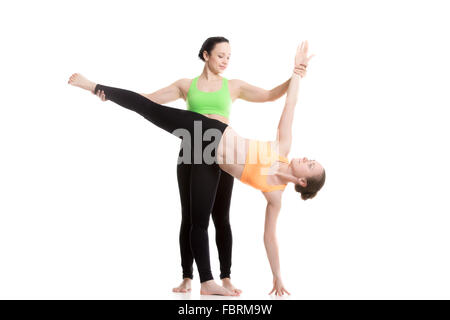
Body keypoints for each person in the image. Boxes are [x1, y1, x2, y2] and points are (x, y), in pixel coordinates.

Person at [68, 41, 325, 296]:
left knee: (203, 220)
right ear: (206, 56)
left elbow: (270, 238)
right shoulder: (283, 148)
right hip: (208, 130)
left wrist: (278, 277)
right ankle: (94, 86)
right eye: (311, 159)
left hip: (209, 157)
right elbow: (290, 104)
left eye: (310, 164)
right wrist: (297, 72)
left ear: (302, 182)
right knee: (149, 109)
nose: (306, 158)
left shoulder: (275, 195)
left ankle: (208, 282)